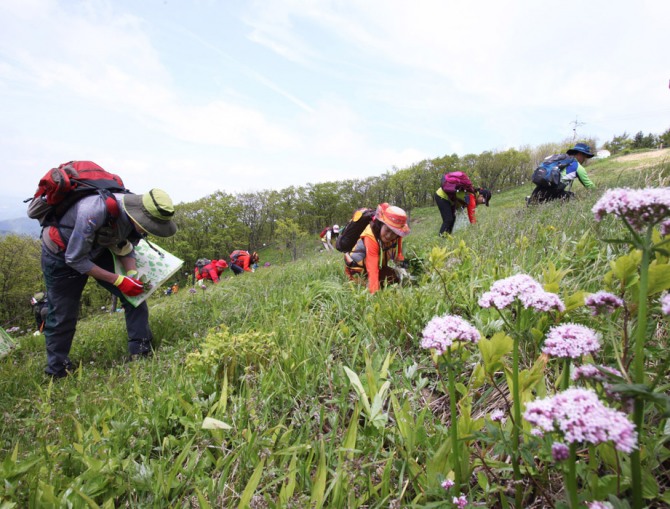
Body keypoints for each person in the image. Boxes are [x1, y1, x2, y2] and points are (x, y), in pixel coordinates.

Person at [38, 187, 178, 378]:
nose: (147, 230)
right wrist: (118, 280)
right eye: (146, 226)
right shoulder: (93, 212)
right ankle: (57, 370)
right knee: (63, 315)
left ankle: (141, 352)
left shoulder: (135, 219)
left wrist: (131, 273)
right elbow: (75, 259)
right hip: (62, 254)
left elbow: (125, 246)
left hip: (97, 248)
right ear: (137, 215)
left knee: (134, 296)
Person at [344, 203, 410, 294]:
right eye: (387, 230)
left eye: (394, 232)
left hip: (377, 267)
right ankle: (358, 282)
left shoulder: (397, 237)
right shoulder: (370, 237)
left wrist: (406, 271)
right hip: (358, 271)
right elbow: (372, 268)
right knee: (379, 285)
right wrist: (375, 293)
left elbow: (399, 256)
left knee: (395, 278)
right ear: (381, 224)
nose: (389, 235)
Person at [529, 142, 596, 204]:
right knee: (572, 197)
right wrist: (599, 193)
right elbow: (589, 185)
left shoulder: (562, 159)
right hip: (551, 191)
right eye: (584, 156)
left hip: (539, 189)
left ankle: (531, 200)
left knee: (533, 204)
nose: (584, 159)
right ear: (580, 154)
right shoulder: (578, 167)